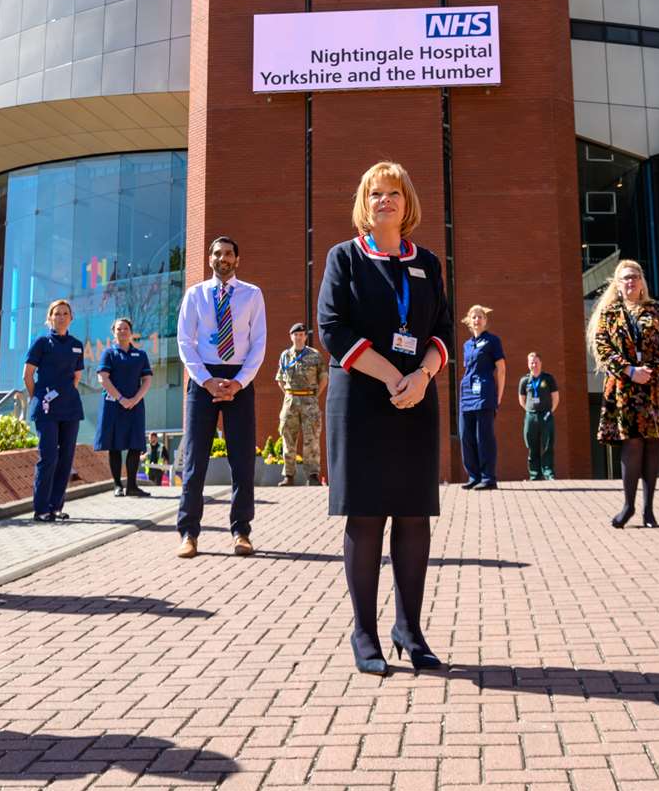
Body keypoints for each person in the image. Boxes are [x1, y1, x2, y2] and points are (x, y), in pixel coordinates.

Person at [318, 160, 452, 676]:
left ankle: (409, 630)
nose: (385, 201)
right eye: (376, 193)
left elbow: (442, 329)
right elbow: (332, 327)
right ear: (364, 202)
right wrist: (389, 375)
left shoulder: (428, 263)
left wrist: (419, 377)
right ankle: (365, 633)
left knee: (414, 516)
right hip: (361, 398)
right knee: (367, 515)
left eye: (394, 192)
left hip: (416, 397)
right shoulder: (344, 258)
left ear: (407, 202)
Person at [175, 236, 266, 557]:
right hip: (204, 379)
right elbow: (185, 341)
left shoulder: (252, 295)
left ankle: (241, 531)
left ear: (237, 260)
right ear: (210, 258)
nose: (223, 258)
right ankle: (188, 533)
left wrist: (239, 382)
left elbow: (259, 343)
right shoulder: (195, 295)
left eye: (229, 253)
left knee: (241, 460)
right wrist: (206, 380)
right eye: (217, 253)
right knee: (195, 460)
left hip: (240, 378)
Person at [589, 259, 659, 528]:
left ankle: (649, 511)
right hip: (624, 388)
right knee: (632, 443)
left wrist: (648, 369)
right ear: (618, 283)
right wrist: (629, 370)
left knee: (652, 443)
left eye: (635, 277)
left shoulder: (657, 311)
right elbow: (603, 348)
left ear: (642, 282)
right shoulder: (609, 313)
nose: (630, 282)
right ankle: (628, 506)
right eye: (625, 278)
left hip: (654, 385)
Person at [25, 299, 85, 523]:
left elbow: (77, 377)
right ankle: (41, 509)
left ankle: (56, 507)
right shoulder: (41, 342)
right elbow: (28, 375)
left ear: (71, 318)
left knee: (66, 458)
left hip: (70, 408)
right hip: (47, 408)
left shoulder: (77, 344)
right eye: (57, 313)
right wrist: (38, 398)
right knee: (48, 456)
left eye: (65, 313)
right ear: (49, 317)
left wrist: (66, 394)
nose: (61, 317)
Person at [97, 317, 154, 498]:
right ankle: (117, 485)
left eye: (125, 328)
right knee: (115, 446)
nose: (122, 331)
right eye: (119, 329)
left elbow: (147, 380)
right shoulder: (109, 353)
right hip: (113, 406)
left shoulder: (141, 355)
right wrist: (121, 398)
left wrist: (135, 399)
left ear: (131, 332)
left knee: (135, 444)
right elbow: (103, 378)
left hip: (135, 406)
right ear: (114, 333)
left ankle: (132, 486)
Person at [274, 322, 328, 486]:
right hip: (290, 402)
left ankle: (312, 476)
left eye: (301, 334)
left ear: (305, 336)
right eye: (295, 335)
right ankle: (288, 476)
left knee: (311, 440)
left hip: (309, 401)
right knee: (288, 438)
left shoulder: (315, 355)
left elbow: (324, 378)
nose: (298, 337)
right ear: (291, 336)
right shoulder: (285, 355)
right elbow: (280, 379)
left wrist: (313, 396)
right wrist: (290, 395)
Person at [457, 305, 505, 489]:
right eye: (474, 317)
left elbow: (501, 369)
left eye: (480, 317)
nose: (477, 320)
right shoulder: (466, 345)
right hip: (467, 394)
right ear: (469, 321)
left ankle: (488, 478)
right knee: (465, 436)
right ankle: (473, 476)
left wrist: (498, 396)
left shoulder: (493, 341)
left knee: (483, 437)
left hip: (484, 393)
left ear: (485, 320)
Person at [517, 352, 560, 480]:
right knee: (532, 446)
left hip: (546, 416)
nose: (534, 365)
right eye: (531, 362)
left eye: (536, 362)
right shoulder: (524, 380)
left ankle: (548, 474)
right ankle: (534, 474)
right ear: (528, 364)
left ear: (541, 363)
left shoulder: (548, 378)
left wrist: (550, 411)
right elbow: (521, 400)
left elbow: (556, 398)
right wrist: (530, 411)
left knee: (547, 445)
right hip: (531, 417)